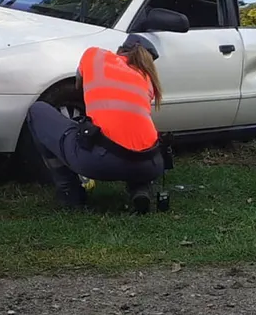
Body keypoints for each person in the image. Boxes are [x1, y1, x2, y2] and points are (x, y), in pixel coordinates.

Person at [26, 34, 165, 214]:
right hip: (151, 163)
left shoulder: (95, 55)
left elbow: (79, 84)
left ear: (121, 49)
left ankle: (69, 192)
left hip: (101, 162)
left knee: (37, 111)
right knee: (132, 132)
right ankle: (141, 189)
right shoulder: (147, 80)